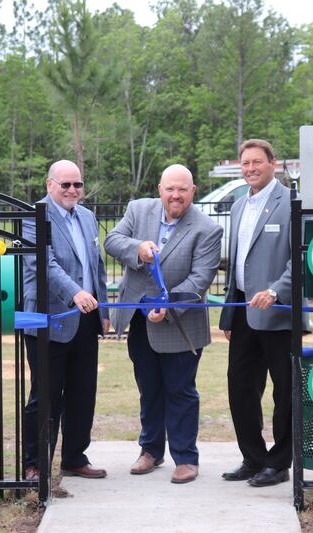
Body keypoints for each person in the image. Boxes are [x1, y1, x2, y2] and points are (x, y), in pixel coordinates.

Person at [104, 164, 222, 484]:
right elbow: (112, 241)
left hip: (179, 325)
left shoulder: (207, 229)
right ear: (160, 189)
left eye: (182, 189)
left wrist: (167, 310)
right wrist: (137, 249)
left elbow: (199, 279)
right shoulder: (137, 210)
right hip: (139, 321)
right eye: (170, 189)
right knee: (149, 389)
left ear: (193, 192)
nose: (176, 195)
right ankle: (151, 451)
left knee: (180, 391)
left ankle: (185, 458)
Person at [21, 159, 109, 482]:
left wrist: (104, 313)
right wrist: (75, 293)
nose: (73, 190)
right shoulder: (34, 217)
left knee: (83, 392)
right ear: (49, 185)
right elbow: (43, 264)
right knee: (44, 394)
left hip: (85, 318)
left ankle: (74, 457)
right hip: (45, 317)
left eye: (78, 184)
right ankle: (34, 464)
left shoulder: (87, 217)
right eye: (66, 184)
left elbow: (97, 267)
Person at [219, 139, 294, 487]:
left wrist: (277, 290)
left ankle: (278, 464)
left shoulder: (290, 204)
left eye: (257, 163)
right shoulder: (237, 206)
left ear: (273, 164)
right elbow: (237, 262)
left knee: (284, 392)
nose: (250, 169)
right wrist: (227, 315)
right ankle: (253, 457)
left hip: (277, 315)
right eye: (245, 163)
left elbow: (301, 258)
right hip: (243, 314)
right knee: (241, 388)